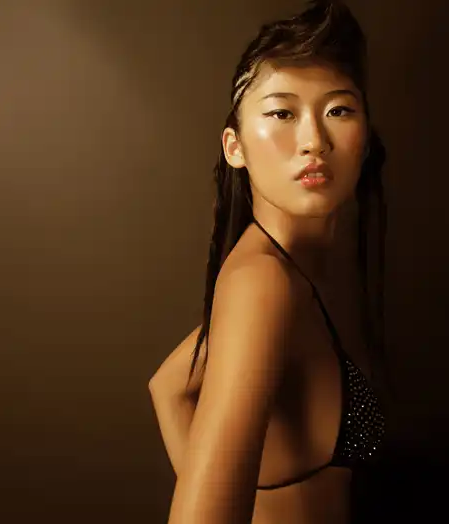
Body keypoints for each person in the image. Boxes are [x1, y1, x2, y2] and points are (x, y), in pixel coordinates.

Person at [148, 1, 389, 523]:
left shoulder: (297, 273)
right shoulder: (263, 283)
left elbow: (167, 386)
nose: (314, 141)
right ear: (234, 147)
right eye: (282, 113)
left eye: (338, 111)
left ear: (366, 140)